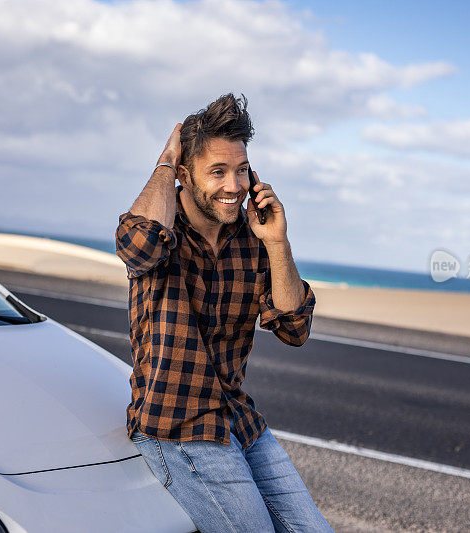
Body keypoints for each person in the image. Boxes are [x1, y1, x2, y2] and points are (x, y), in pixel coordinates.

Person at [115, 93, 334, 532]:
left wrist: (276, 241)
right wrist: (164, 161)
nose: (233, 185)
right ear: (183, 173)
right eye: (217, 171)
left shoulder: (251, 238)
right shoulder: (163, 228)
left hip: (238, 419)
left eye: (241, 170)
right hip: (174, 424)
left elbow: (294, 327)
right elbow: (137, 247)